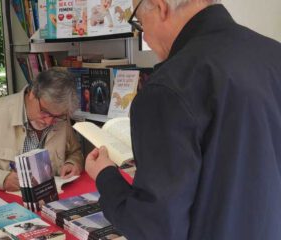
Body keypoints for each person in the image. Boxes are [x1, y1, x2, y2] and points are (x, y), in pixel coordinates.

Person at [85, 0, 281, 239]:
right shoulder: (273, 54)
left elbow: (155, 229)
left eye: (139, 22)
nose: (144, 35)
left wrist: (106, 176)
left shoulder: (169, 86)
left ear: (160, 7)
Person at [0, 68, 84, 193]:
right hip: (4, 201)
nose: (49, 121)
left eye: (57, 116)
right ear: (32, 94)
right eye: (45, 112)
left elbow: (75, 152)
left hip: (49, 198)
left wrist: (72, 164)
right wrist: (3, 179)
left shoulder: (61, 117)